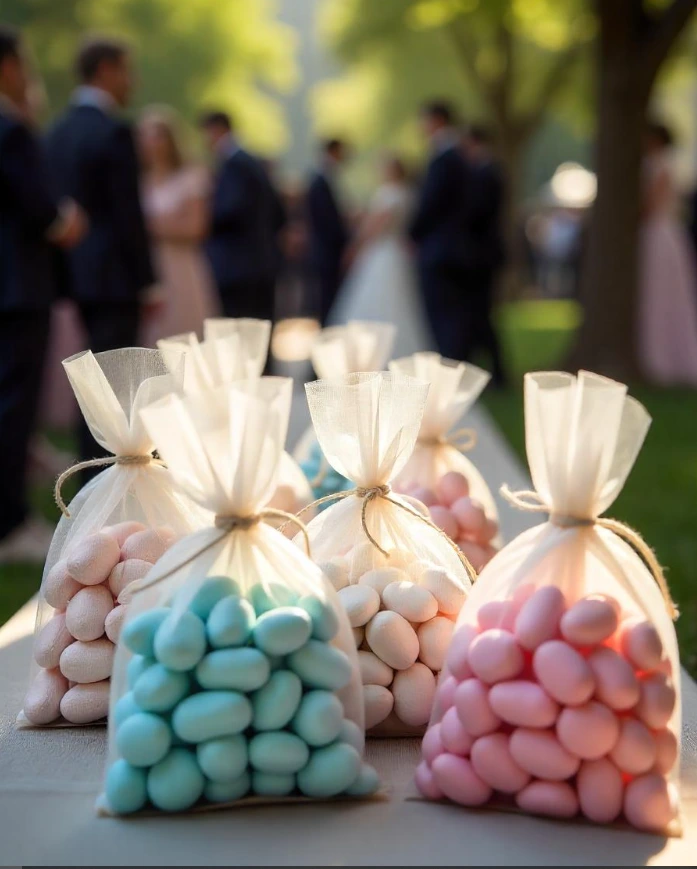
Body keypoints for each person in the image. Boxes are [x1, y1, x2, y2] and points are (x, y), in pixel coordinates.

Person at [46, 36, 156, 470]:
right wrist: (148, 280)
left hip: (76, 276)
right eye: (127, 70)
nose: (132, 81)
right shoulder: (113, 130)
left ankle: (85, 469)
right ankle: (113, 472)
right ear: (106, 70)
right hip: (116, 276)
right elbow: (128, 214)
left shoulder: (56, 131)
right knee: (118, 379)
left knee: (90, 380)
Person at [0, 26, 85, 561]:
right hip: (17, 290)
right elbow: (47, 214)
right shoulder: (11, 129)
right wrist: (70, 218)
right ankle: (8, 525)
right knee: (13, 407)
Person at [328, 153, 434, 357]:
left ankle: (374, 353)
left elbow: (375, 226)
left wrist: (356, 245)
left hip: (383, 252)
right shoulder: (408, 193)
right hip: (397, 253)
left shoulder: (389, 193)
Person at [138, 107, 219, 345]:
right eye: (145, 135)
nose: (152, 143)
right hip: (147, 265)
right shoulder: (136, 179)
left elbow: (196, 227)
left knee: (184, 334)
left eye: (158, 134)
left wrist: (151, 227)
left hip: (181, 266)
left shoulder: (191, 176)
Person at [199, 110, 280, 322]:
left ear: (216, 129)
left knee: (242, 329)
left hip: (239, 266)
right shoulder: (250, 162)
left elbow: (229, 211)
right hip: (257, 261)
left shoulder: (234, 164)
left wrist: (200, 220)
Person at [410, 101, 474, 361]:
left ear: (437, 120)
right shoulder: (457, 156)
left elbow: (431, 204)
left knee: (443, 314)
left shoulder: (445, 157)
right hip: (451, 249)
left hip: (441, 250)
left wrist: (413, 233)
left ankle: (449, 364)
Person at [638, 122, 697, 386]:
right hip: (660, 235)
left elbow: (651, 204)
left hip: (659, 236)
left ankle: (665, 359)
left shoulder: (660, 166)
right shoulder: (657, 165)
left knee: (661, 297)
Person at [461, 124, 507, 386]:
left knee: (483, 314)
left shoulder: (487, 172)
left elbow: (477, 214)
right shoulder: (486, 171)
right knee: (478, 315)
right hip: (480, 256)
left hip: (482, 256)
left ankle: (497, 372)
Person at [306, 139, 350, 324]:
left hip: (330, 249)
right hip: (327, 249)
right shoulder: (319, 181)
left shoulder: (327, 179)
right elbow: (326, 221)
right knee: (326, 296)